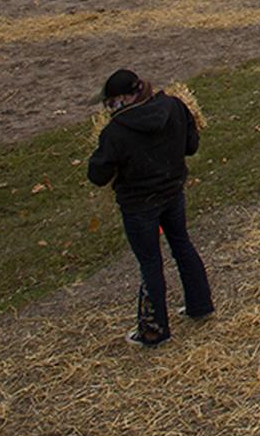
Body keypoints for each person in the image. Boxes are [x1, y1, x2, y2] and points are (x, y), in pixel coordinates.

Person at [86, 69, 213, 347]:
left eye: (109, 103)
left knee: (150, 262)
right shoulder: (174, 107)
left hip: (139, 206)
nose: (108, 109)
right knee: (182, 245)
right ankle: (200, 304)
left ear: (121, 100)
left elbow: (98, 175)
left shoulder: (115, 133)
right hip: (172, 193)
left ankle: (154, 331)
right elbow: (191, 146)